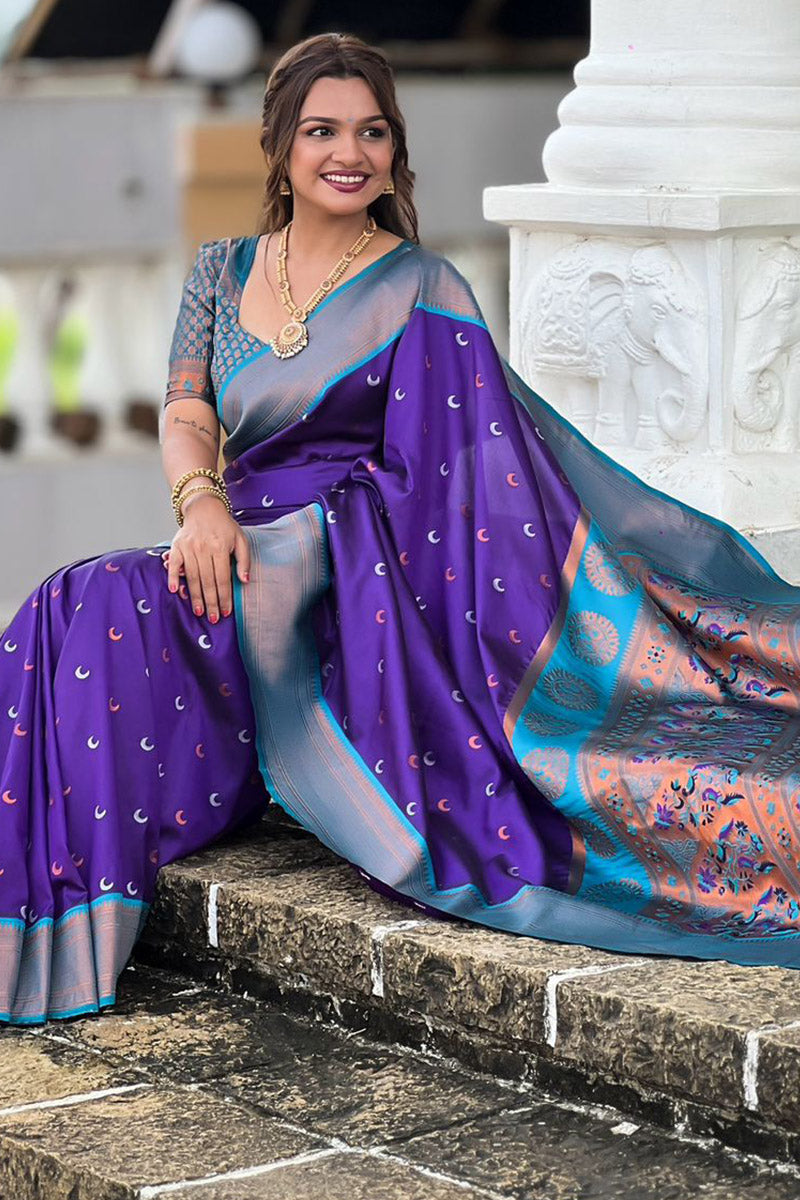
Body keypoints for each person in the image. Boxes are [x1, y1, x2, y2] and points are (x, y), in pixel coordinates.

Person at [4, 33, 800, 1027]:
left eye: (372, 132)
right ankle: (45, 925)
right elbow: (186, 411)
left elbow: (462, 486)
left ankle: (62, 931)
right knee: (71, 607)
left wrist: (312, 541)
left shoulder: (422, 288)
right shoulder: (221, 271)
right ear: (279, 147)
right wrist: (201, 504)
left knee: (94, 610)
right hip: (226, 545)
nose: (349, 153)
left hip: (341, 590)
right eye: (322, 131)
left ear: (393, 151)